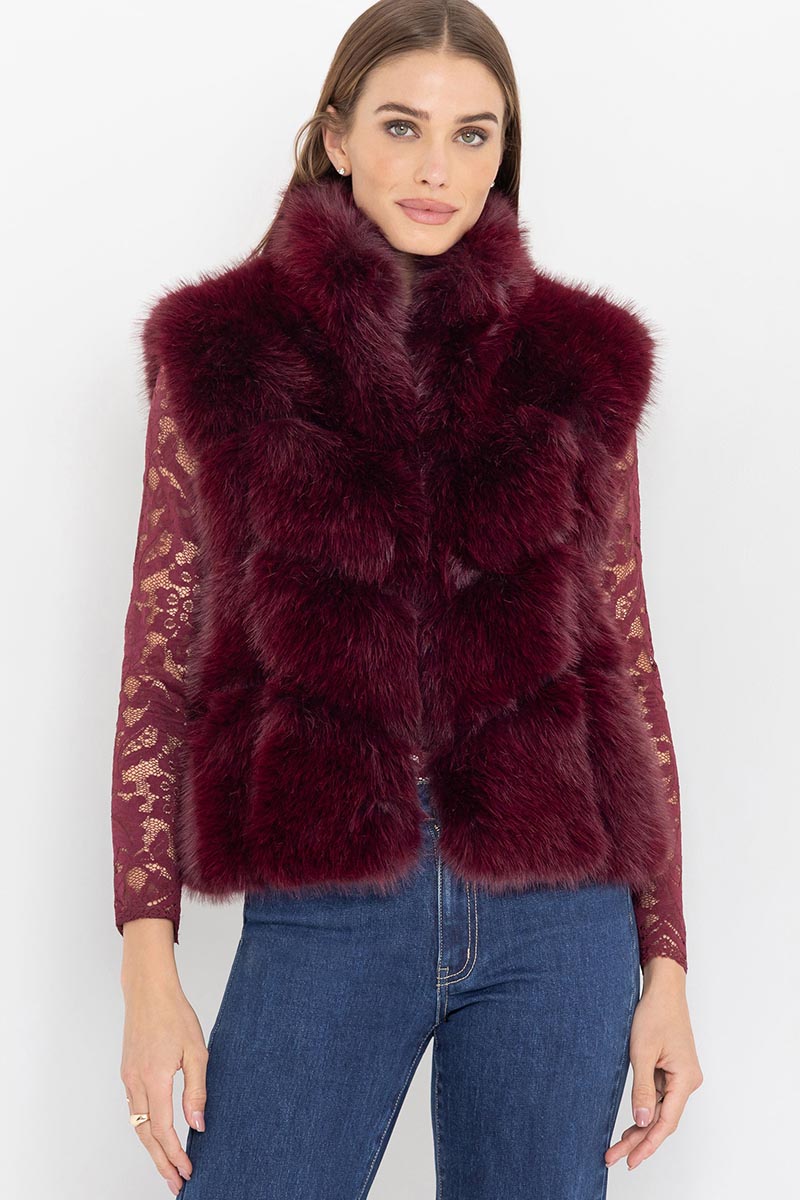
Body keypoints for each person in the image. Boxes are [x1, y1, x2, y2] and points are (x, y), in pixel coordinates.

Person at [113, 2, 703, 1195]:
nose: (437, 168)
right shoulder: (221, 352)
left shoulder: (576, 361)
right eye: (401, 126)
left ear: (502, 152)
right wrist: (148, 975)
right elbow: (160, 665)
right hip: (327, 903)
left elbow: (625, 659)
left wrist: (666, 966)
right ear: (336, 136)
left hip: (559, 913)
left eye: (472, 134)